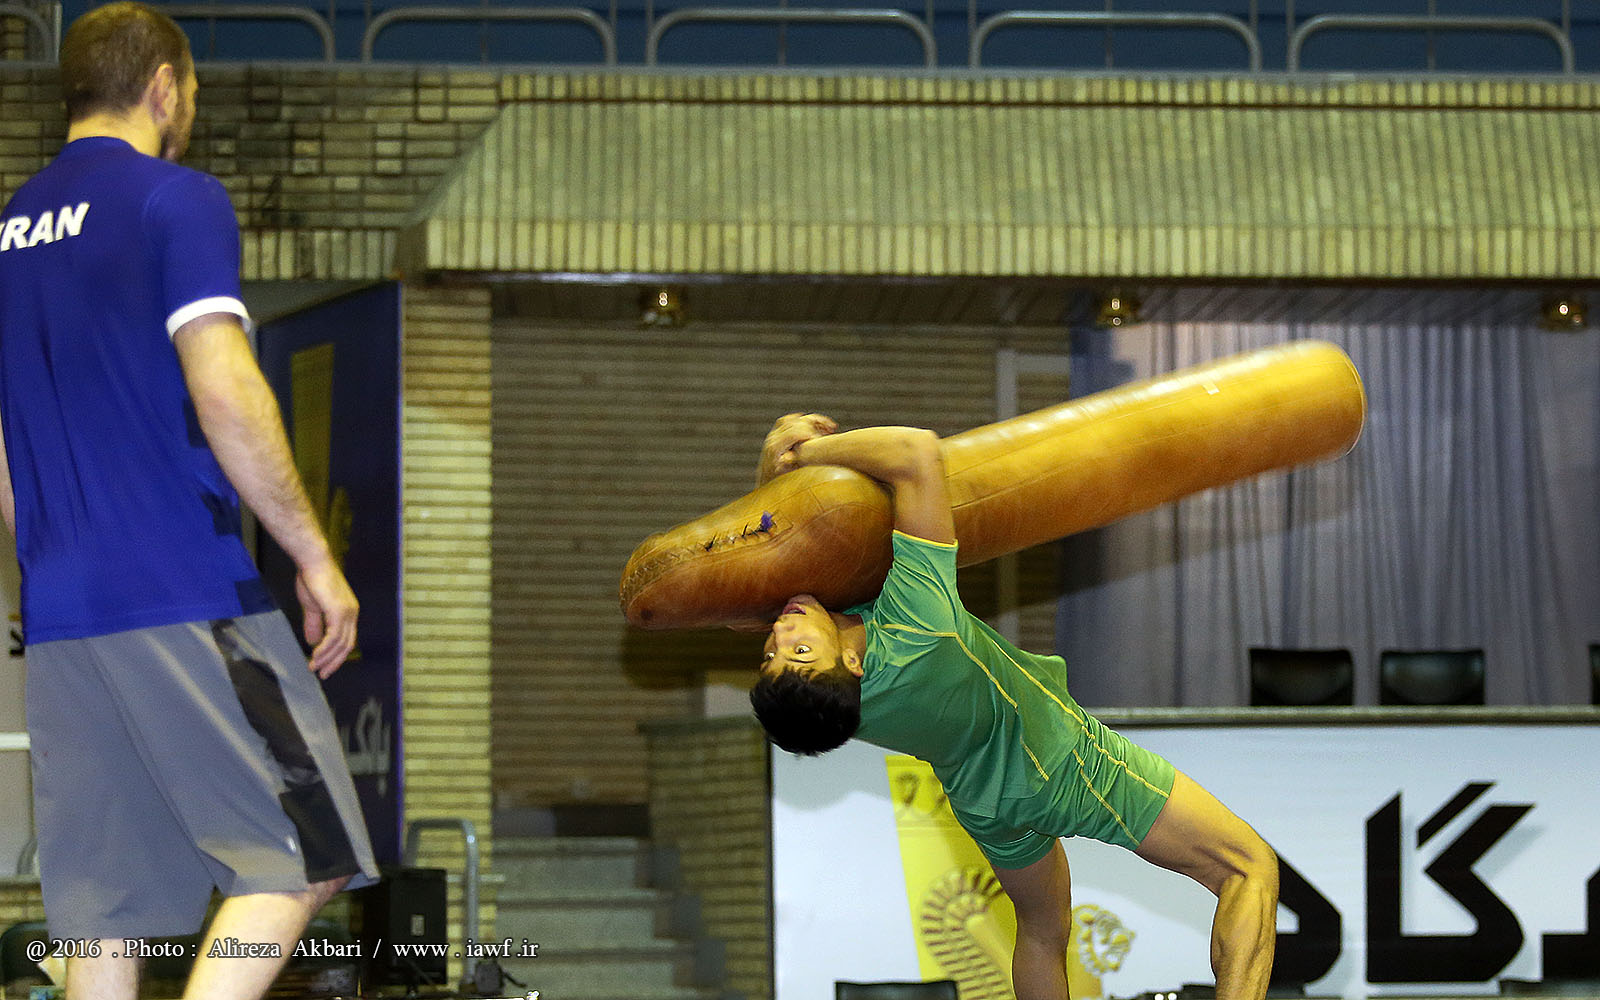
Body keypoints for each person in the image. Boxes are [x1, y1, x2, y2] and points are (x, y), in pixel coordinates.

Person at [0, 5, 378, 999]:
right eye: (193, 92)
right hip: (182, 584)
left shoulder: (7, 233)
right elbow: (224, 384)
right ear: (164, 86)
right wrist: (314, 555)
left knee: (106, 915)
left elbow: (4, 448)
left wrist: (53, 568)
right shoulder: (177, 199)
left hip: (62, 610)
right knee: (301, 857)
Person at [748, 413, 1279, 1000]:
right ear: (850, 664)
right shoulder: (920, 625)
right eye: (800, 650)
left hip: (986, 805)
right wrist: (804, 456)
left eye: (775, 653)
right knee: (1247, 865)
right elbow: (916, 454)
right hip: (1061, 760)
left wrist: (773, 482)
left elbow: (745, 579)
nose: (782, 631)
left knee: (1043, 931)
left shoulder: (831, 699)